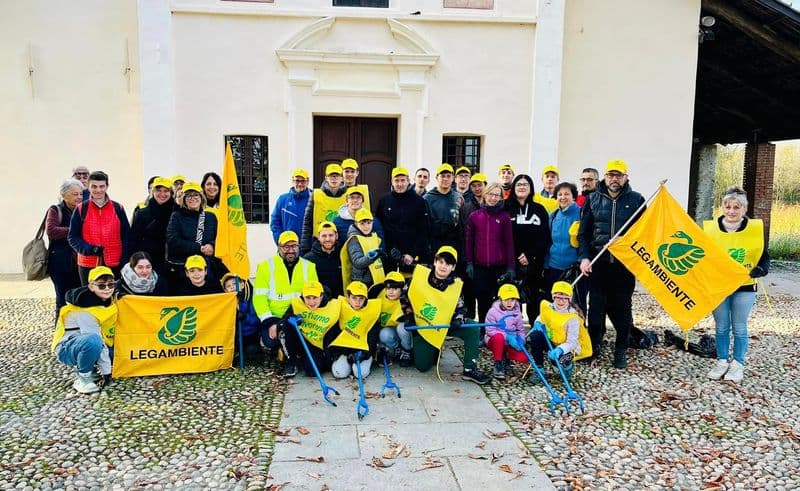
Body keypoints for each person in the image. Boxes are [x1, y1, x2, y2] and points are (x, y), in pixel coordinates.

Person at [578, 159, 645, 368]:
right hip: (599, 263)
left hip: (624, 266)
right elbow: (584, 233)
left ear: (626, 177)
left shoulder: (637, 200)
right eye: (610, 175)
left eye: (618, 175)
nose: (614, 179)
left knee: (623, 310)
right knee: (596, 309)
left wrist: (624, 241)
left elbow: (644, 233)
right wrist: (584, 258)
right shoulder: (593, 199)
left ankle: (620, 350)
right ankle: (594, 346)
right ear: (605, 177)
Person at [703, 186, 769, 383]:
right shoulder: (711, 229)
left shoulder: (754, 230)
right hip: (718, 286)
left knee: (739, 327)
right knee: (721, 326)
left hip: (744, 286)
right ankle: (722, 360)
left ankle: (738, 363)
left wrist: (761, 269)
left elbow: (764, 256)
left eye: (736, 207)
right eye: (727, 206)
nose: (731, 211)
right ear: (722, 207)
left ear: (744, 209)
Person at [401, 246, 490, 385]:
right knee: (422, 366)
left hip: (444, 324)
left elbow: (461, 308)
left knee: (472, 327)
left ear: (453, 267)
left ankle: (469, 368)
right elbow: (405, 297)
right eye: (441, 262)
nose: (443, 266)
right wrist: (409, 316)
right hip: (423, 327)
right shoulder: (419, 276)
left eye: (448, 264)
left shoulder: (455, 286)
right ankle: (432, 350)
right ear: (435, 262)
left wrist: (457, 319)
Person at [51, 266, 117, 394]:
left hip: (85, 341)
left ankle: (90, 369)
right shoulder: (85, 310)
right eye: (101, 286)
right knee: (93, 341)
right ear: (91, 286)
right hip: (66, 348)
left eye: (111, 285)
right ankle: (83, 377)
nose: (107, 289)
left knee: (116, 352)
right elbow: (97, 340)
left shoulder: (106, 301)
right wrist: (107, 373)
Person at [253, 230, 319, 351]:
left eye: (294, 246)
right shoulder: (265, 267)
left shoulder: (309, 267)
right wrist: (270, 322)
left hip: (300, 317)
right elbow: (259, 298)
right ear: (279, 247)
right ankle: (274, 344)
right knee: (271, 341)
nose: (291, 250)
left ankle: (285, 350)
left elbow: (315, 296)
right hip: (275, 317)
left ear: (299, 246)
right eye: (286, 246)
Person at [464, 182, 516, 322]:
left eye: (497, 195)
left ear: (501, 198)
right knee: (482, 301)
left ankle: (499, 329)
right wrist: (469, 262)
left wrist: (511, 267)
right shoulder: (475, 216)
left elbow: (509, 243)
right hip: (480, 267)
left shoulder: (504, 217)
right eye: (491, 194)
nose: (493, 198)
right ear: (485, 195)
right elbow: (469, 241)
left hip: (499, 267)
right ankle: (482, 329)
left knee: (499, 301)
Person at [68, 171, 130, 285]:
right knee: (90, 298)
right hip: (88, 263)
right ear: (88, 186)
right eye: (94, 186)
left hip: (114, 262)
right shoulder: (81, 208)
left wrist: (124, 260)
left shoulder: (118, 208)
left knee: (113, 296)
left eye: (102, 186)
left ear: (107, 186)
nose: (98, 190)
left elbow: (126, 236)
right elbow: (73, 237)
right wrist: (89, 249)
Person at [504, 174, 550, 321]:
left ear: (531, 189)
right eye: (518, 184)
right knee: (511, 297)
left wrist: (529, 255)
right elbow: (502, 235)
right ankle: (511, 330)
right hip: (510, 260)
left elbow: (544, 236)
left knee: (534, 298)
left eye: (525, 184)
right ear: (513, 188)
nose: (522, 187)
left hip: (534, 262)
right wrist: (518, 254)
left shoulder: (539, 209)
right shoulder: (505, 208)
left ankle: (534, 332)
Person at [527, 281, 592, 382]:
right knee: (535, 336)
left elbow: (572, 342)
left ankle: (567, 368)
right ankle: (539, 369)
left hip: (566, 347)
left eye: (564, 298)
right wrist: (538, 322)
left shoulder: (572, 318)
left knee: (559, 360)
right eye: (558, 298)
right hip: (552, 340)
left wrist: (560, 350)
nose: (561, 301)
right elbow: (542, 317)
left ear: (569, 299)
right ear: (553, 297)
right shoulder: (549, 307)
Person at [278, 280, 340, 378]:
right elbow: (283, 321)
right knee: (286, 325)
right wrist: (292, 319)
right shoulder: (297, 303)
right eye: (308, 298)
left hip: (319, 344)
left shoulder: (333, 305)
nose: (311, 302)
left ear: (321, 296)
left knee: (312, 371)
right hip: (303, 340)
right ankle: (291, 360)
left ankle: (307, 359)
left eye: (315, 298)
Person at [375, 167, 429, 277]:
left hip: (411, 257)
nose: (400, 184)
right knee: (390, 289)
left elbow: (424, 230)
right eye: (397, 180)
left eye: (403, 180)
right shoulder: (384, 200)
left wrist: (412, 254)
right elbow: (378, 227)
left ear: (408, 181)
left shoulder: (419, 202)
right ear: (392, 182)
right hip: (388, 255)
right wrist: (387, 249)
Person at [165, 182, 219, 291]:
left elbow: (218, 238)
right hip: (182, 269)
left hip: (205, 269)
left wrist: (212, 246)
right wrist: (198, 248)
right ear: (183, 199)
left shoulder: (211, 217)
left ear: (201, 197)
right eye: (188, 195)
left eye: (196, 195)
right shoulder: (177, 216)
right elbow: (172, 240)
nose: (192, 198)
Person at [47, 179, 83, 320]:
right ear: (64, 195)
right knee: (62, 301)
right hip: (60, 264)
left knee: (78, 300)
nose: (79, 197)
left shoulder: (83, 211)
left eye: (80, 194)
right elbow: (52, 230)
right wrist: (74, 231)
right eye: (75, 194)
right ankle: (60, 337)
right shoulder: (56, 210)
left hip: (79, 263)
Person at [329, 281, 381, 379]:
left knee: (359, 374)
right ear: (348, 297)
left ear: (366, 298)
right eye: (354, 298)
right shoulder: (341, 309)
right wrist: (342, 352)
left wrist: (365, 354)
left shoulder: (371, 312)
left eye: (361, 298)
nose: (357, 302)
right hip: (346, 350)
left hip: (363, 351)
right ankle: (347, 364)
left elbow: (372, 338)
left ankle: (368, 360)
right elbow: (335, 333)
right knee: (338, 373)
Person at [221, 273, 272, 364]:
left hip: (250, 335)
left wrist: (245, 317)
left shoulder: (249, 299)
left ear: (242, 284)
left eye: (234, 284)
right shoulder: (226, 303)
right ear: (225, 290)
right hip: (235, 336)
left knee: (252, 352)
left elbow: (256, 321)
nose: (232, 287)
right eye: (228, 286)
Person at [128, 176, 175, 274]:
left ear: (171, 193)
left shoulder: (177, 212)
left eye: (166, 191)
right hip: (148, 264)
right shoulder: (142, 213)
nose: (162, 194)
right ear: (152, 192)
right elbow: (133, 240)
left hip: (172, 262)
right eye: (158, 190)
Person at [544, 182, 581, 299]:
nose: (563, 197)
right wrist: (546, 265)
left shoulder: (582, 213)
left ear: (573, 196)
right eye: (559, 194)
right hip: (554, 266)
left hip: (574, 268)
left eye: (566, 194)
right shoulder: (554, 215)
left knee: (574, 303)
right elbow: (548, 241)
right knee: (555, 302)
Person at [300, 163, 347, 254]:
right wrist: (305, 245)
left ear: (342, 178)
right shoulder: (316, 194)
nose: (334, 179)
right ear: (326, 178)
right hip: (319, 243)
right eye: (331, 176)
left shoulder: (349, 195)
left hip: (342, 243)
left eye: (337, 176)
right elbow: (307, 221)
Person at [485, 283, 527, 380]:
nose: (509, 303)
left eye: (512, 300)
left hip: (510, 342)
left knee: (523, 358)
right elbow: (490, 330)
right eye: (506, 300)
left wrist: (521, 340)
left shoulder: (517, 312)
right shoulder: (493, 312)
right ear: (500, 299)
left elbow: (520, 330)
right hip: (495, 340)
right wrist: (507, 336)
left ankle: (506, 357)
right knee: (498, 337)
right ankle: (498, 363)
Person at [424, 163, 466, 260]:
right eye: (442, 176)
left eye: (448, 176)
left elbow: (462, 225)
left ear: (453, 178)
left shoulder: (458, 198)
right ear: (437, 178)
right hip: (434, 246)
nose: (446, 179)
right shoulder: (427, 199)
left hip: (453, 245)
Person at [374, 271, 413, 367]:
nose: (391, 292)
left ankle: (407, 351)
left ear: (402, 289)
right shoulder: (380, 297)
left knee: (402, 328)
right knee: (384, 334)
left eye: (395, 288)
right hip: (391, 330)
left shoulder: (407, 299)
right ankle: (397, 348)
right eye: (388, 288)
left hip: (404, 330)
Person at [341, 208, 385, 288]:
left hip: (374, 279)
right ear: (356, 223)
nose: (366, 226)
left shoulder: (373, 236)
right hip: (361, 281)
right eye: (362, 223)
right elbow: (357, 262)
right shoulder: (354, 239)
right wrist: (372, 257)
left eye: (369, 223)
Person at [270, 169, 311, 246]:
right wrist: (280, 241)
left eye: (303, 181)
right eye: (297, 181)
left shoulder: (314, 199)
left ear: (308, 181)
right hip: (288, 247)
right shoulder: (283, 199)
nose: (300, 184)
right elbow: (275, 222)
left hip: (308, 248)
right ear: (292, 181)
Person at [303, 221, 344, 298]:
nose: (327, 239)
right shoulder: (308, 259)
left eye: (331, 235)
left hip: (340, 303)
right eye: (324, 236)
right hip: (318, 304)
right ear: (318, 237)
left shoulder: (343, 256)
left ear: (336, 236)